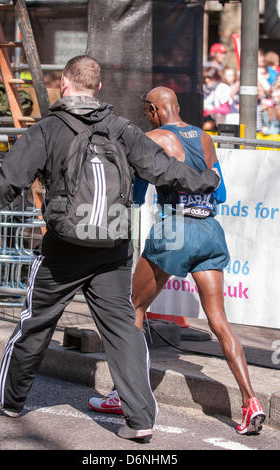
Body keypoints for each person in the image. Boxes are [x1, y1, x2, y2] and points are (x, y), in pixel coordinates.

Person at [0, 56, 220, 443]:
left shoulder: (47, 129)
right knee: (122, 328)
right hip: (113, 244)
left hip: (64, 247)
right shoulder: (122, 128)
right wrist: (205, 180)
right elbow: (162, 169)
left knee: (36, 321)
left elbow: (7, 183)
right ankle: (140, 419)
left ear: (64, 84)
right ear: (99, 89)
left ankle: (10, 398)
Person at [88, 86, 266, 436]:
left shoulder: (151, 137)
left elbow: (137, 194)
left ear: (154, 110)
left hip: (175, 231)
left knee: (132, 308)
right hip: (209, 230)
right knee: (219, 322)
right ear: (178, 107)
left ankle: (125, 395)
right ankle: (250, 403)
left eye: (146, 112)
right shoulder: (204, 137)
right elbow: (222, 192)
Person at [203, 65, 231, 129]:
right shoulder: (206, 89)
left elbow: (225, 109)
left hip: (228, 124)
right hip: (217, 123)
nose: (206, 80)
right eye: (204, 77)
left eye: (209, 77)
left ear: (215, 77)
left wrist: (211, 109)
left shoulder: (222, 88)